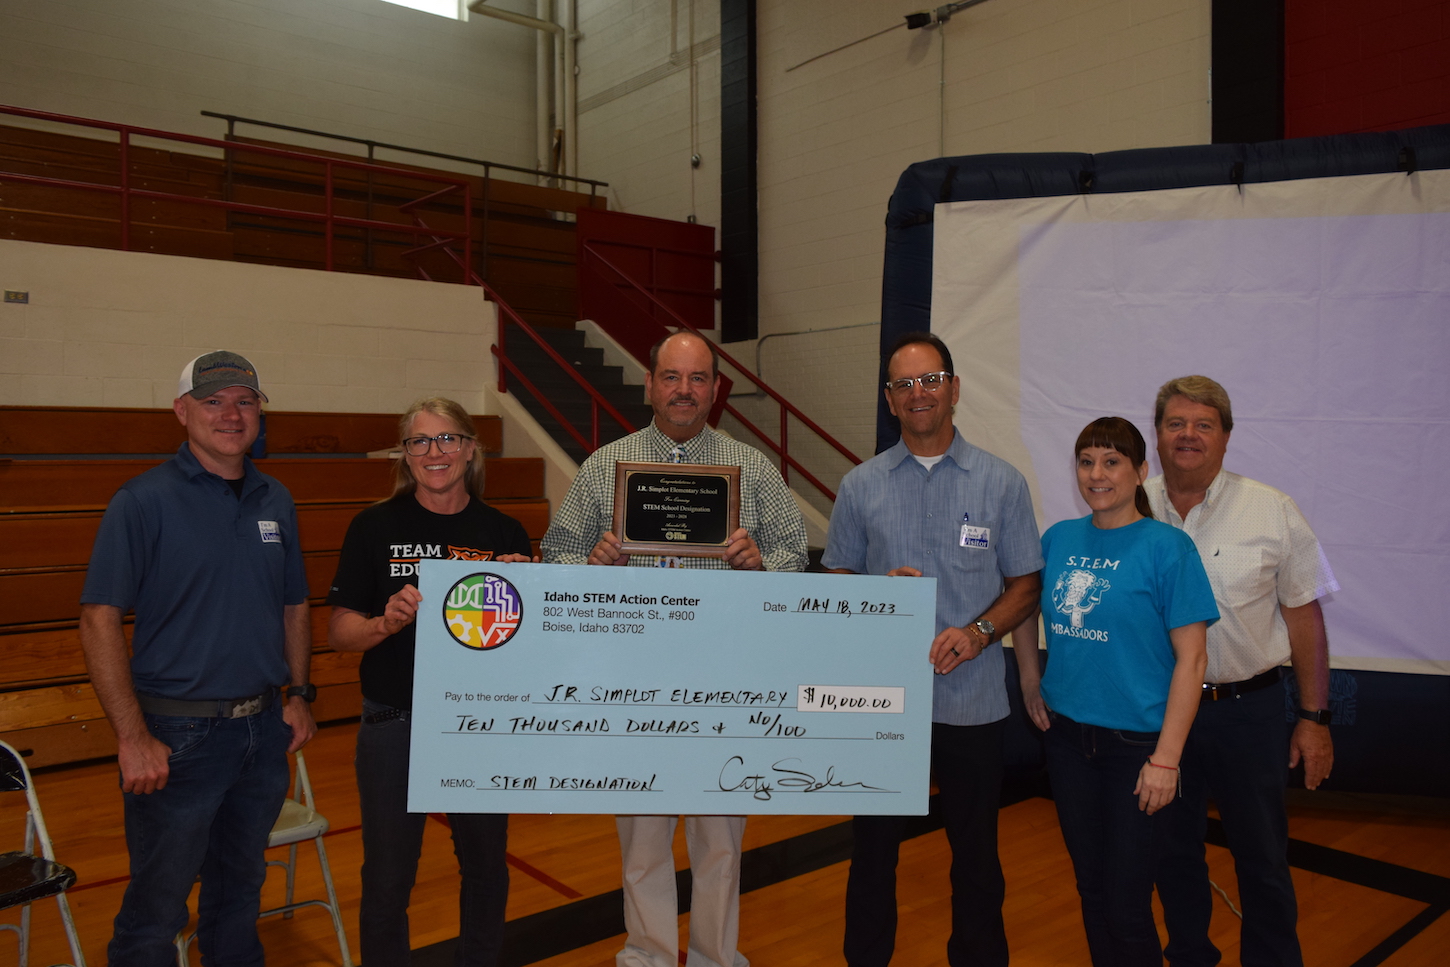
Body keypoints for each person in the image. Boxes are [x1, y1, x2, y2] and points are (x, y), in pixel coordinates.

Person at [540, 331, 807, 967]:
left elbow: (797, 560)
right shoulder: (606, 466)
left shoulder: (753, 469)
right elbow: (554, 557)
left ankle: (717, 957)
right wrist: (591, 561)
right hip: (632, 682)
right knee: (643, 840)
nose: (684, 390)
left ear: (716, 389)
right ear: (651, 384)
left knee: (720, 841)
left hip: (727, 684)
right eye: (671, 377)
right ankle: (649, 955)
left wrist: (760, 566)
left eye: (697, 378)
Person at [79, 350, 317, 966]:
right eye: (214, 401)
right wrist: (131, 736)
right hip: (176, 736)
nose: (231, 414)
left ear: (261, 414)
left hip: (262, 735)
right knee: (157, 911)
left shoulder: (276, 499)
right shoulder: (142, 501)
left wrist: (297, 694)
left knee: (239, 894)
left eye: (245, 400)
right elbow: (98, 618)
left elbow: (294, 604)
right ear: (182, 412)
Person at [823, 332, 1042, 967]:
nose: (918, 394)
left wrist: (978, 634)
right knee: (872, 854)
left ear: (952, 388)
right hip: (882, 702)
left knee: (976, 854)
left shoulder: (1002, 483)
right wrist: (873, 595)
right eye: (903, 385)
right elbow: (836, 583)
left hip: (971, 702)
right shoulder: (860, 486)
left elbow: (1025, 585)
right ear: (890, 400)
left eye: (929, 380)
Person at [328, 397, 534, 967]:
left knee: (487, 871)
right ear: (406, 455)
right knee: (389, 878)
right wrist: (381, 622)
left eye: (447, 440)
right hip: (395, 723)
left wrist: (531, 595)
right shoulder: (373, 526)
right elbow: (339, 632)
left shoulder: (505, 532)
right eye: (420, 442)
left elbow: (526, 649)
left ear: (470, 449)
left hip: (477, 727)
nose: (434, 452)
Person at [1148, 376, 1339, 967]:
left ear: (1226, 437)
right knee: (1172, 855)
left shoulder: (1271, 508)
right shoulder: (1130, 508)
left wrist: (1314, 718)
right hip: (1158, 715)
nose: (1188, 435)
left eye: (1204, 425)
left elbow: (1305, 620)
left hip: (1247, 712)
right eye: (1176, 423)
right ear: (1157, 434)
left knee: (1262, 858)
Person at [1015, 417, 1216, 966]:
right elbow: (1023, 608)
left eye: (1111, 461)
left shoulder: (1168, 548)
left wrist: (1167, 761)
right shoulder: (1058, 538)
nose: (1096, 474)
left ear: (1140, 471)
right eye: (1086, 461)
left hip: (1138, 749)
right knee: (1092, 890)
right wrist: (1032, 680)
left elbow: (1192, 658)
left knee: (1127, 904)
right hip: (1069, 742)